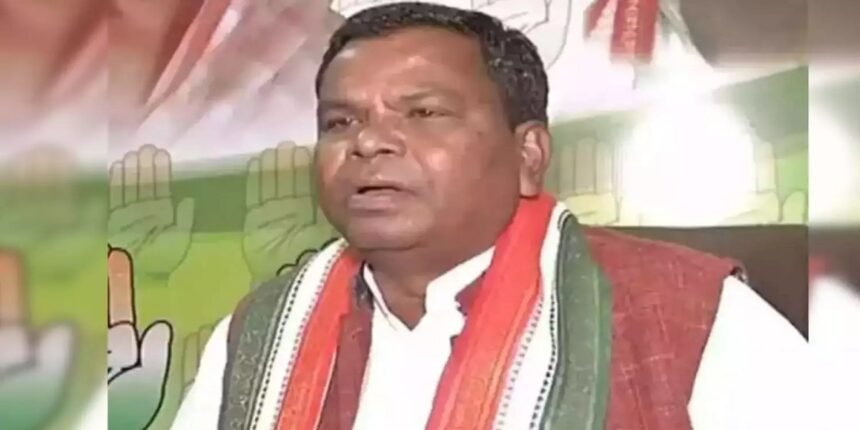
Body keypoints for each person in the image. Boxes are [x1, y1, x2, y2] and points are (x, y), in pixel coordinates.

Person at [172, 3, 806, 429]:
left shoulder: (689, 316)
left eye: (423, 113)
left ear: (528, 155)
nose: (368, 142)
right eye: (340, 121)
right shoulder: (260, 335)